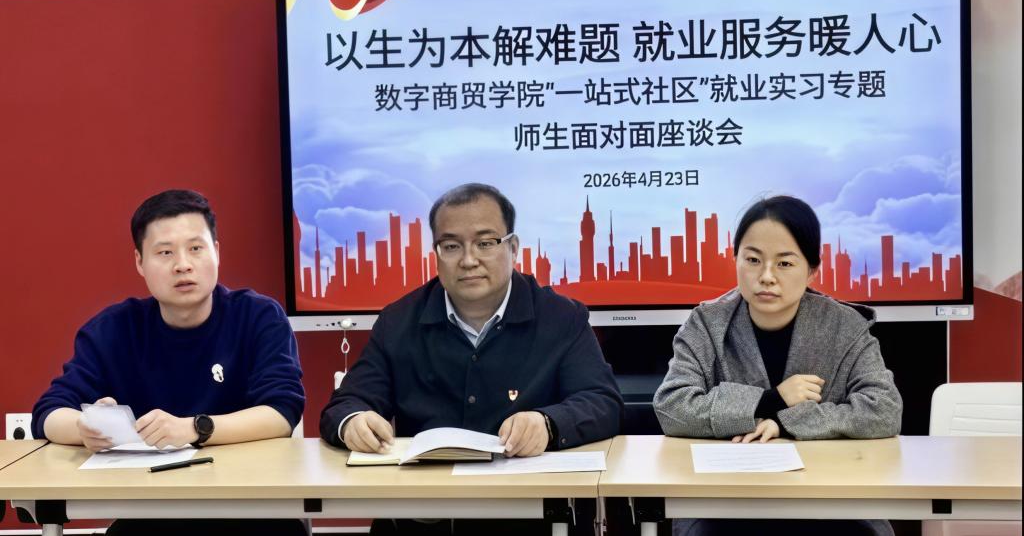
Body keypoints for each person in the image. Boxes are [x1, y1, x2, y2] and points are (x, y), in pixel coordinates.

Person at [320, 183, 623, 535]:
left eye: (485, 243)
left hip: (532, 516)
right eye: (451, 246)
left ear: (513, 248)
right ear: (436, 253)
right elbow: (344, 405)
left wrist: (548, 424)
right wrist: (354, 422)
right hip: (424, 517)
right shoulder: (398, 321)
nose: (468, 260)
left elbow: (603, 403)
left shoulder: (561, 317)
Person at [32, 189, 306, 536]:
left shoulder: (258, 317)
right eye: (165, 252)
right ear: (139, 262)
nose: (183, 265)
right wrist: (84, 428)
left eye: (196, 248)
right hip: (151, 512)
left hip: (255, 510)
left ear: (216, 252)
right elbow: (48, 413)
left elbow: (282, 412)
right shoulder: (114, 328)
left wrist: (194, 429)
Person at [654, 195, 902, 536]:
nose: (767, 276)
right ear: (736, 259)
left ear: (812, 269)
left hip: (831, 497)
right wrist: (771, 399)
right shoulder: (706, 323)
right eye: (753, 260)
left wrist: (786, 422)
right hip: (724, 501)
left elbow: (884, 410)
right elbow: (672, 407)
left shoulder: (845, 326)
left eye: (784, 263)